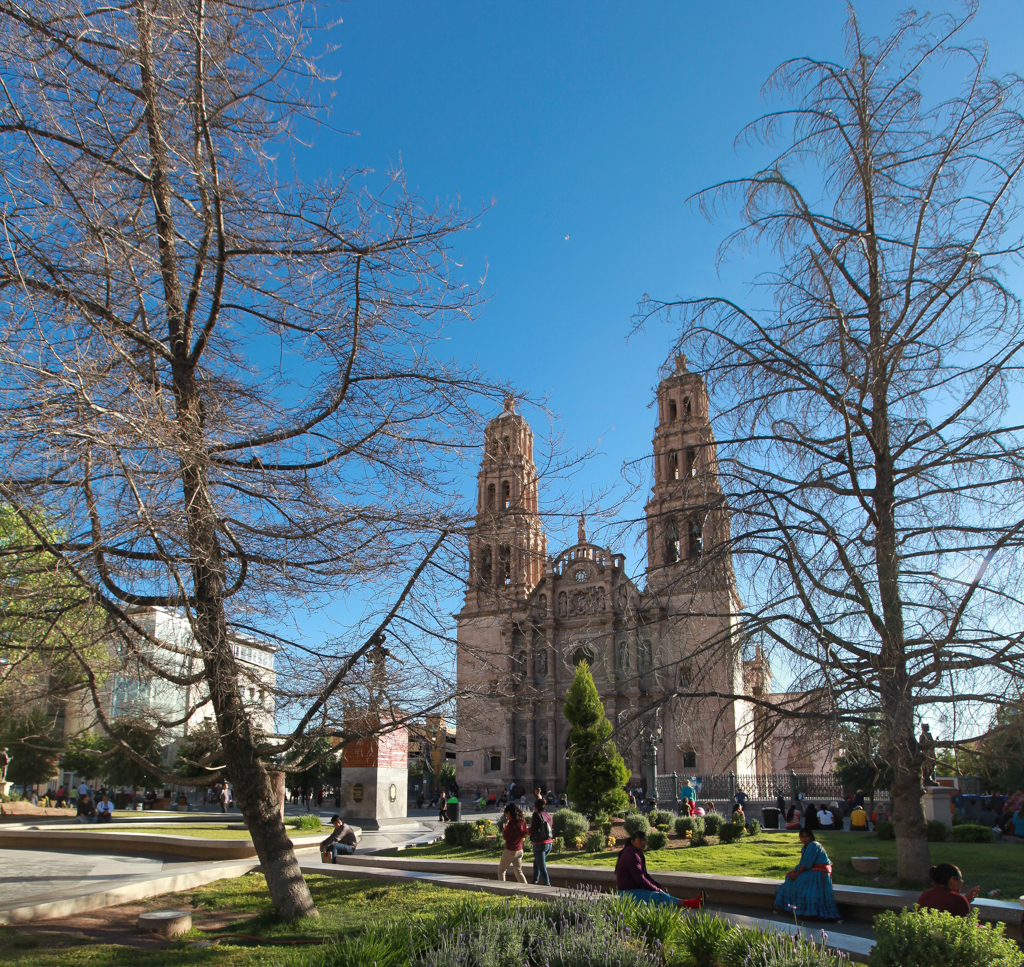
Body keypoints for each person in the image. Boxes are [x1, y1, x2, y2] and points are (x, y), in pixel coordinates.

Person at [615, 828, 706, 908]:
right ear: (632, 842)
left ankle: (692, 902)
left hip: (634, 890)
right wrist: (657, 889)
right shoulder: (631, 855)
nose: (643, 842)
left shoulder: (637, 853)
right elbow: (640, 879)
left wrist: (658, 886)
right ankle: (693, 903)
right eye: (640, 840)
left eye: (644, 840)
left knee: (661, 895)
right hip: (627, 894)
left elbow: (645, 875)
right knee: (659, 896)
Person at [773, 829, 840, 920]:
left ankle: (801, 909)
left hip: (819, 873)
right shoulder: (805, 848)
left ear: (811, 836)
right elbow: (802, 864)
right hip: (811, 871)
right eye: (802, 837)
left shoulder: (813, 845)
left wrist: (796, 875)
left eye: (806, 836)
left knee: (797, 881)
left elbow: (806, 863)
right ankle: (792, 907)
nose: (804, 839)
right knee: (790, 878)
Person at [498, 803, 529, 883]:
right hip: (519, 850)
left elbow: (506, 837)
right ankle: (526, 889)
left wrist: (504, 830)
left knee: (501, 871)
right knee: (519, 872)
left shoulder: (512, 822)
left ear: (509, 813)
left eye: (506, 815)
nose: (506, 817)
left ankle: (502, 889)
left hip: (510, 850)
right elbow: (525, 831)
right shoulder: (522, 821)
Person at [529, 797, 554, 886]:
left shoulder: (536, 814)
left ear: (535, 806)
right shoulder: (548, 815)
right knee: (537, 862)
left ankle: (547, 884)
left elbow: (532, 829)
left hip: (540, 844)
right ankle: (534, 881)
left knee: (541, 865)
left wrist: (527, 830)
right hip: (549, 843)